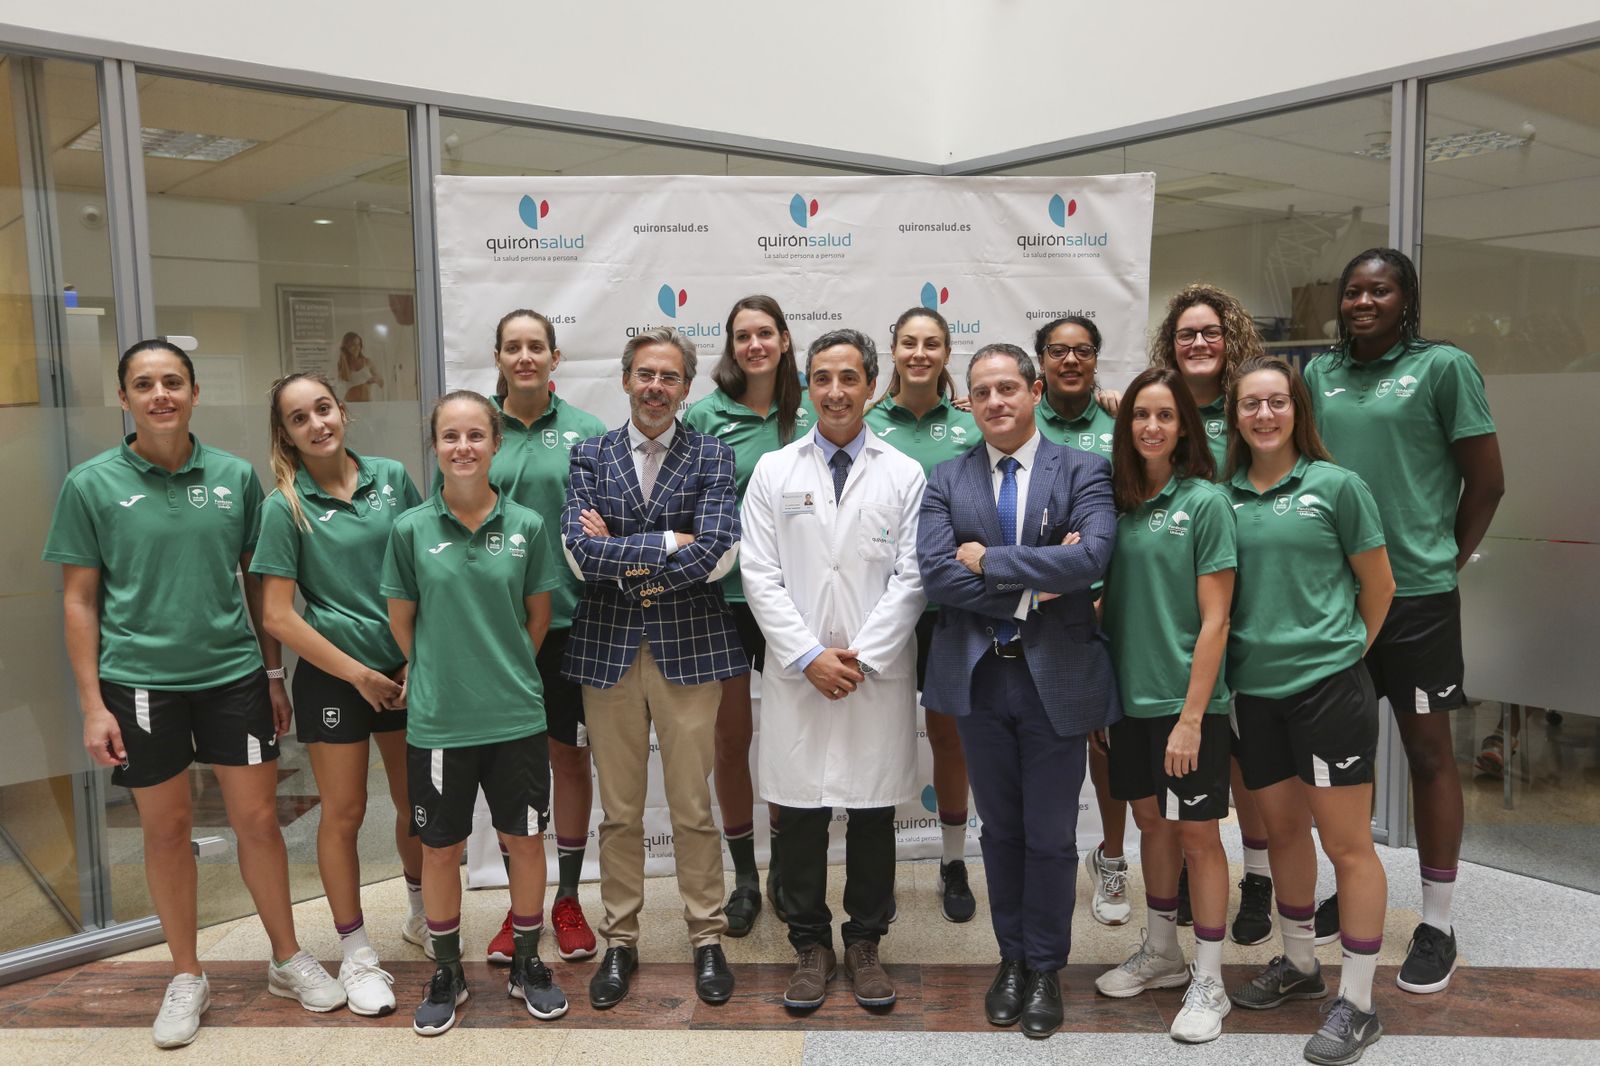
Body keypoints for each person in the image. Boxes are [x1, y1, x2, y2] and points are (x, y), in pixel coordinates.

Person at [43, 340, 344, 1049]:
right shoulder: (90, 484)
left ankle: (286, 957)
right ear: (124, 398)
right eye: (144, 384)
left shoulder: (236, 477)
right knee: (167, 829)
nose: (160, 396)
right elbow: (79, 602)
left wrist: (273, 676)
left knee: (260, 822)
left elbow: (259, 583)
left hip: (232, 678)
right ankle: (186, 975)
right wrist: (92, 703)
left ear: (195, 392)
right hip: (139, 685)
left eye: (172, 382)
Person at [1304, 248, 1503, 995]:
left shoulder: (1446, 368)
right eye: (1352, 290)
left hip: (1416, 597)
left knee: (1427, 752)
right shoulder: (1318, 375)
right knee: (1340, 755)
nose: (1362, 302)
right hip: (1335, 596)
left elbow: (1487, 482)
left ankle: (1438, 919)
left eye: (1378, 291)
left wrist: (1443, 561)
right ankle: (1350, 884)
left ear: (1406, 300)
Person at [917, 342, 1121, 1040]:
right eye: (982, 392)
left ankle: (1046, 969)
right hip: (981, 677)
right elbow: (938, 577)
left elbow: (1092, 558)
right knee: (1000, 831)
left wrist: (991, 561)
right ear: (967, 403)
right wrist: (1039, 583)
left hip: (1055, 682)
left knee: (1052, 835)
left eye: (1008, 388)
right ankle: (1010, 959)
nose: (996, 402)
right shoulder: (946, 479)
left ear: (1034, 391)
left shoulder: (1086, 469)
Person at [742, 328, 927, 1011]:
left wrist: (863, 657)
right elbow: (759, 575)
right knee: (800, 814)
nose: (836, 391)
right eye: (822, 378)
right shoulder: (774, 471)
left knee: (874, 810)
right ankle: (811, 944)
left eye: (850, 377)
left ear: (872, 386)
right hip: (801, 671)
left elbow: (914, 577)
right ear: (808, 386)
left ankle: (866, 941)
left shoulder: (903, 472)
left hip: (873, 671)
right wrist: (808, 655)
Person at [563, 326, 744, 1010]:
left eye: (669, 377)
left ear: (686, 387)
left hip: (690, 652)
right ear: (625, 378)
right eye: (645, 374)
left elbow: (720, 553)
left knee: (695, 808)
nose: (656, 387)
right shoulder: (590, 455)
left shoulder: (713, 455)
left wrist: (631, 552)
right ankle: (621, 941)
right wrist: (672, 542)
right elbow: (580, 554)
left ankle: (706, 937)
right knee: (620, 812)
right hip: (607, 654)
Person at [1221, 356, 1395, 1066]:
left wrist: (1343, 653)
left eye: (1277, 403)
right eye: (1250, 405)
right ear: (1234, 417)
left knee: (1348, 846)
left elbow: (1378, 587)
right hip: (1253, 696)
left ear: (1298, 411)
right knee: (1282, 834)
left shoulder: (1336, 487)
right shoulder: (1218, 497)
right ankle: (1298, 966)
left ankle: (1357, 1003)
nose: (1264, 415)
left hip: (1327, 691)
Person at [382, 390, 567, 1035]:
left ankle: (526, 962)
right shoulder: (409, 530)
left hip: (515, 715)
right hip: (439, 722)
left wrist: (503, 665)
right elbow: (402, 621)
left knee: (524, 840)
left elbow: (537, 618)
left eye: (475, 436)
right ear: (434, 447)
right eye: (449, 437)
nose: (463, 447)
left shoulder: (527, 527)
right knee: (440, 848)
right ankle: (447, 970)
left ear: (495, 444)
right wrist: (438, 671)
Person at [252, 371, 423, 1017]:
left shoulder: (392, 478)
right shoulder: (283, 506)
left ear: (342, 412)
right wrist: (359, 675)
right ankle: (356, 956)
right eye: (300, 418)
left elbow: (421, 567)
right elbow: (277, 614)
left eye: (323, 408)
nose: (316, 423)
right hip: (335, 678)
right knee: (344, 814)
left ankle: (417, 917)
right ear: (287, 435)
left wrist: (414, 659)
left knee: (417, 808)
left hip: (404, 670)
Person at [1093, 368, 1236, 1044]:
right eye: (1140, 415)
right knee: (1152, 825)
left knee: (1200, 838)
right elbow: (1112, 605)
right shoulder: (1116, 504)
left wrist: (1190, 717)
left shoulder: (1205, 502)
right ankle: (1163, 953)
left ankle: (1211, 977)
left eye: (1165, 415)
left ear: (1185, 427)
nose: (1151, 426)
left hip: (1189, 706)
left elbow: (1216, 621)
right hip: (1129, 704)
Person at [682, 294, 814, 936]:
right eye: (742, 336)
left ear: (786, 341)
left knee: (790, 735)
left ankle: (788, 867)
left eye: (766, 333)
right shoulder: (705, 415)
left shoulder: (817, 406)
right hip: (724, 599)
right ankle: (745, 876)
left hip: (801, 599)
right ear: (730, 346)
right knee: (732, 740)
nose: (755, 345)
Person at [1150, 283, 1275, 944]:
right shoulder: (1160, 411)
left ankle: (1257, 880)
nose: (1197, 344)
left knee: (1246, 756)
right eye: (1185, 335)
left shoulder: (1250, 409)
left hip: (1248, 601)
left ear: (1230, 340)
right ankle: (1186, 887)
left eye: (1209, 333)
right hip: (1183, 607)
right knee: (1199, 752)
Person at [483, 309, 607, 965]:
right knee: (509, 772)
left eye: (536, 346)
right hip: (493, 634)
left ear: (555, 358)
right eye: (513, 347)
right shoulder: (477, 431)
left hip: (571, 626)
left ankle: (564, 897)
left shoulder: (588, 432)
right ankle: (518, 902)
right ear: (498, 357)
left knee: (567, 760)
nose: (525, 356)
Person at [865, 306, 980, 923]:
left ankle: (953, 860)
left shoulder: (967, 425)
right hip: (875, 607)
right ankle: (871, 861)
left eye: (931, 344)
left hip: (949, 607)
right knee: (879, 733)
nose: (919, 354)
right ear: (893, 349)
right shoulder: (865, 420)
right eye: (908, 342)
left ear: (945, 353)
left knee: (948, 737)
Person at [1030, 315, 1127, 927]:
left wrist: (1105, 592)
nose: (1070, 360)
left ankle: (1112, 858)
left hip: (1111, 600)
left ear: (1096, 360)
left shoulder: (1123, 422)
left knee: (1107, 741)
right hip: (1039, 607)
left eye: (1083, 351)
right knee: (1050, 744)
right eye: (1058, 352)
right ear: (1040, 361)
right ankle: (1045, 862)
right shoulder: (1017, 415)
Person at [337, 331, 384, 403]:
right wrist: (343, 357)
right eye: (353, 345)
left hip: (368, 404)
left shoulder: (367, 362)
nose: (357, 348)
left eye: (358, 344)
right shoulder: (343, 364)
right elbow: (346, 378)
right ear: (346, 346)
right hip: (351, 404)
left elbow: (381, 383)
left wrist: (376, 379)